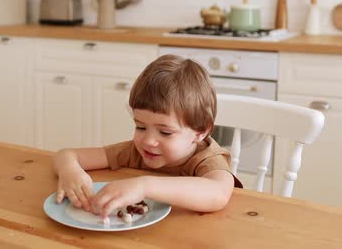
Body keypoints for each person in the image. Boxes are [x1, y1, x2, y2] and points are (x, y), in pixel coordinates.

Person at [52, 54, 242, 218]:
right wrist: (70, 171)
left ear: (201, 132)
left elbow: (218, 194)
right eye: (140, 127)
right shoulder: (136, 151)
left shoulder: (207, 158)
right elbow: (66, 154)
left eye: (165, 132)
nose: (148, 141)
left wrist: (144, 186)